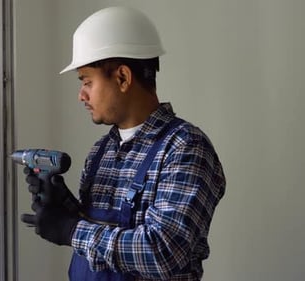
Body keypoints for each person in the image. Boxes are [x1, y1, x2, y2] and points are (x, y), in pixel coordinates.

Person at [21, 6, 226, 281]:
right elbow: (102, 240)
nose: (81, 95)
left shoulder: (185, 148)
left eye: (87, 81)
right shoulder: (101, 152)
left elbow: (164, 251)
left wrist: (70, 230)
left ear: (122, 78)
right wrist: (64, 206)